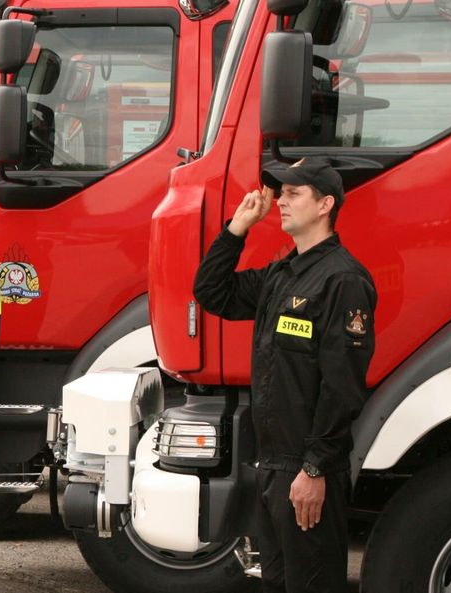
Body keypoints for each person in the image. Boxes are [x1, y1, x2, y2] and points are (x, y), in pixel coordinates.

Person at [192, 157, 377, 593]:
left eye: (294, 194)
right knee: (276, 584)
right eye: (282, 193)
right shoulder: (282, 274)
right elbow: (211, 292)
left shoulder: (343, 280)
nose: (280, 202)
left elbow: (343, 387)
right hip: (274, 468)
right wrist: (237, 228)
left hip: (308, 470)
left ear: (325, 204)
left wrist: (315, 470)